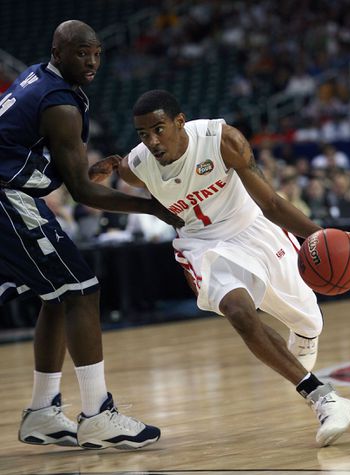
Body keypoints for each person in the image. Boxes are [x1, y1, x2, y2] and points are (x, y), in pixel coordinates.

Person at [90, 90, 350, 447]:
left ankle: (306, 337)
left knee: (310, 321)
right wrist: (106, 171)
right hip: (202, 245)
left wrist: (322, 235)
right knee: (239, 312)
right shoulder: (137, 166)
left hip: (253, 227)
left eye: (158, 129)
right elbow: (117, 172)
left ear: (180, 121)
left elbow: (272, 203)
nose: (152, 141)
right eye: (143, 134)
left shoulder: (223, 140)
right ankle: (323, 397)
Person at [0, 23, 183, 450]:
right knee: (82, 292)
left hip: (14, 195)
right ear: (58, 51)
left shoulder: (34, 75)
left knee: (59, 295)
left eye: (97, 53)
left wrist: (83, 174)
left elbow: (38, 159)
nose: (92, 62)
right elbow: (82, 194)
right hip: (8, 199)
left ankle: (43, 413)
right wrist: (155, 207)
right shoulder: (61, 105)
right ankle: (98, 415)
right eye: (82, 53)